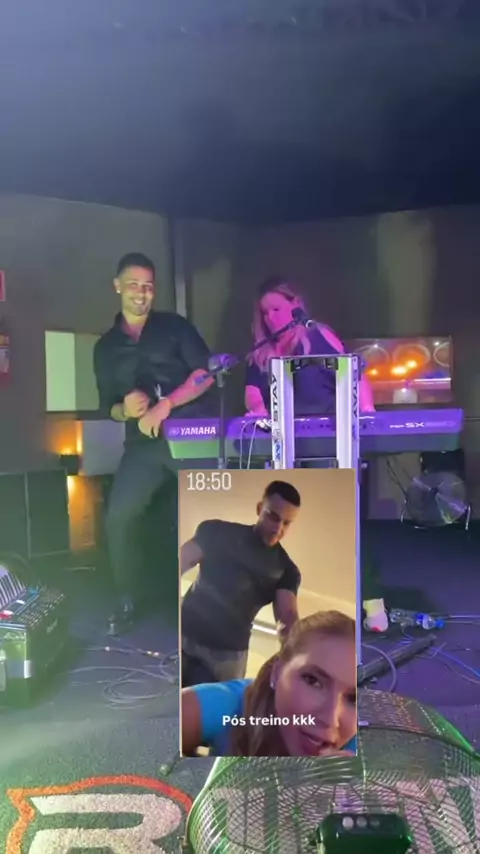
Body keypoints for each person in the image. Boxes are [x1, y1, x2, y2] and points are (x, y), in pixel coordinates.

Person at [245, 277, 388, 633]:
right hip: (285, 446)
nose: (272, 317)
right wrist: (258, 410)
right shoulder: (261, 353)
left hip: (332, 441)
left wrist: (367, 415)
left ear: (295, 304)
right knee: (299, 528)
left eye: (277, 308)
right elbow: (253, 395)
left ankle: (372, 601)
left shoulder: (317, 336)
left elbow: (354, 376)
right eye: (265, 313)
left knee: (346, 518)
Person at [94, 252, 215, 635]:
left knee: (211, 513)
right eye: (133, 285)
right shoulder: (106, 347)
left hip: (191, 438)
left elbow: (206, 374)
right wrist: (125, 409)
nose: (141, 293)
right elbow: (107, 407)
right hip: (143, 446)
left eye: (148, 286)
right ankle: (126, 598)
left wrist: (166, 405)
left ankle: (215, 600)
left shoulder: (174, 327)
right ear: (117, 286)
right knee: (119, 517)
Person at [181, 610, 357, 758]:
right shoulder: (227, 706)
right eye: (313, 681)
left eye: (354, 699)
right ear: (277, 672)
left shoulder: (362, 748)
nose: (330, 719)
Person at [180, 480, 302, 686]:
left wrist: (291, 658)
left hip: (226, 657)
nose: (278, 528)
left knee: (218, 707)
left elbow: (287, 617)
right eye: (273, 517)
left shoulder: (286, 570)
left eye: (286, 523)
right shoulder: (217, 532)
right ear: (259, 509)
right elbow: (181, 562)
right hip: (184, 634)